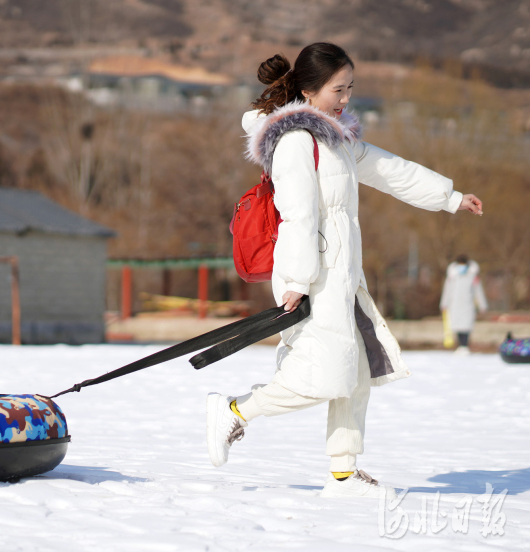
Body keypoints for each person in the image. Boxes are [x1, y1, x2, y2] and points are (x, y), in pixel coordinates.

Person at [206, 43, 483, 498]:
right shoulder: (295, 142)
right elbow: (297, 215)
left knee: (353, 378)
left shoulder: (335, 139)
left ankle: (344, 473)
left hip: (343, 276)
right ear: (310, 90)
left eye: (351, 88)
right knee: (322, 376)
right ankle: (235, 411)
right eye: (339, 89)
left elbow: (391, 171)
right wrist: (296, 281)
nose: (346, 98)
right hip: (313, 278)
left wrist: (449, 197)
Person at [440, 254, 488, 354]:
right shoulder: (452, 276)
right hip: (454, 304)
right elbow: (447, 291)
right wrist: (444, 303)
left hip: (468, 304)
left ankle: (465, 346)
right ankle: (460, 346)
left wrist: (482, 305)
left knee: (466, 326)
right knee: (456, 325)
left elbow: (478, 291)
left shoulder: (473, 276)